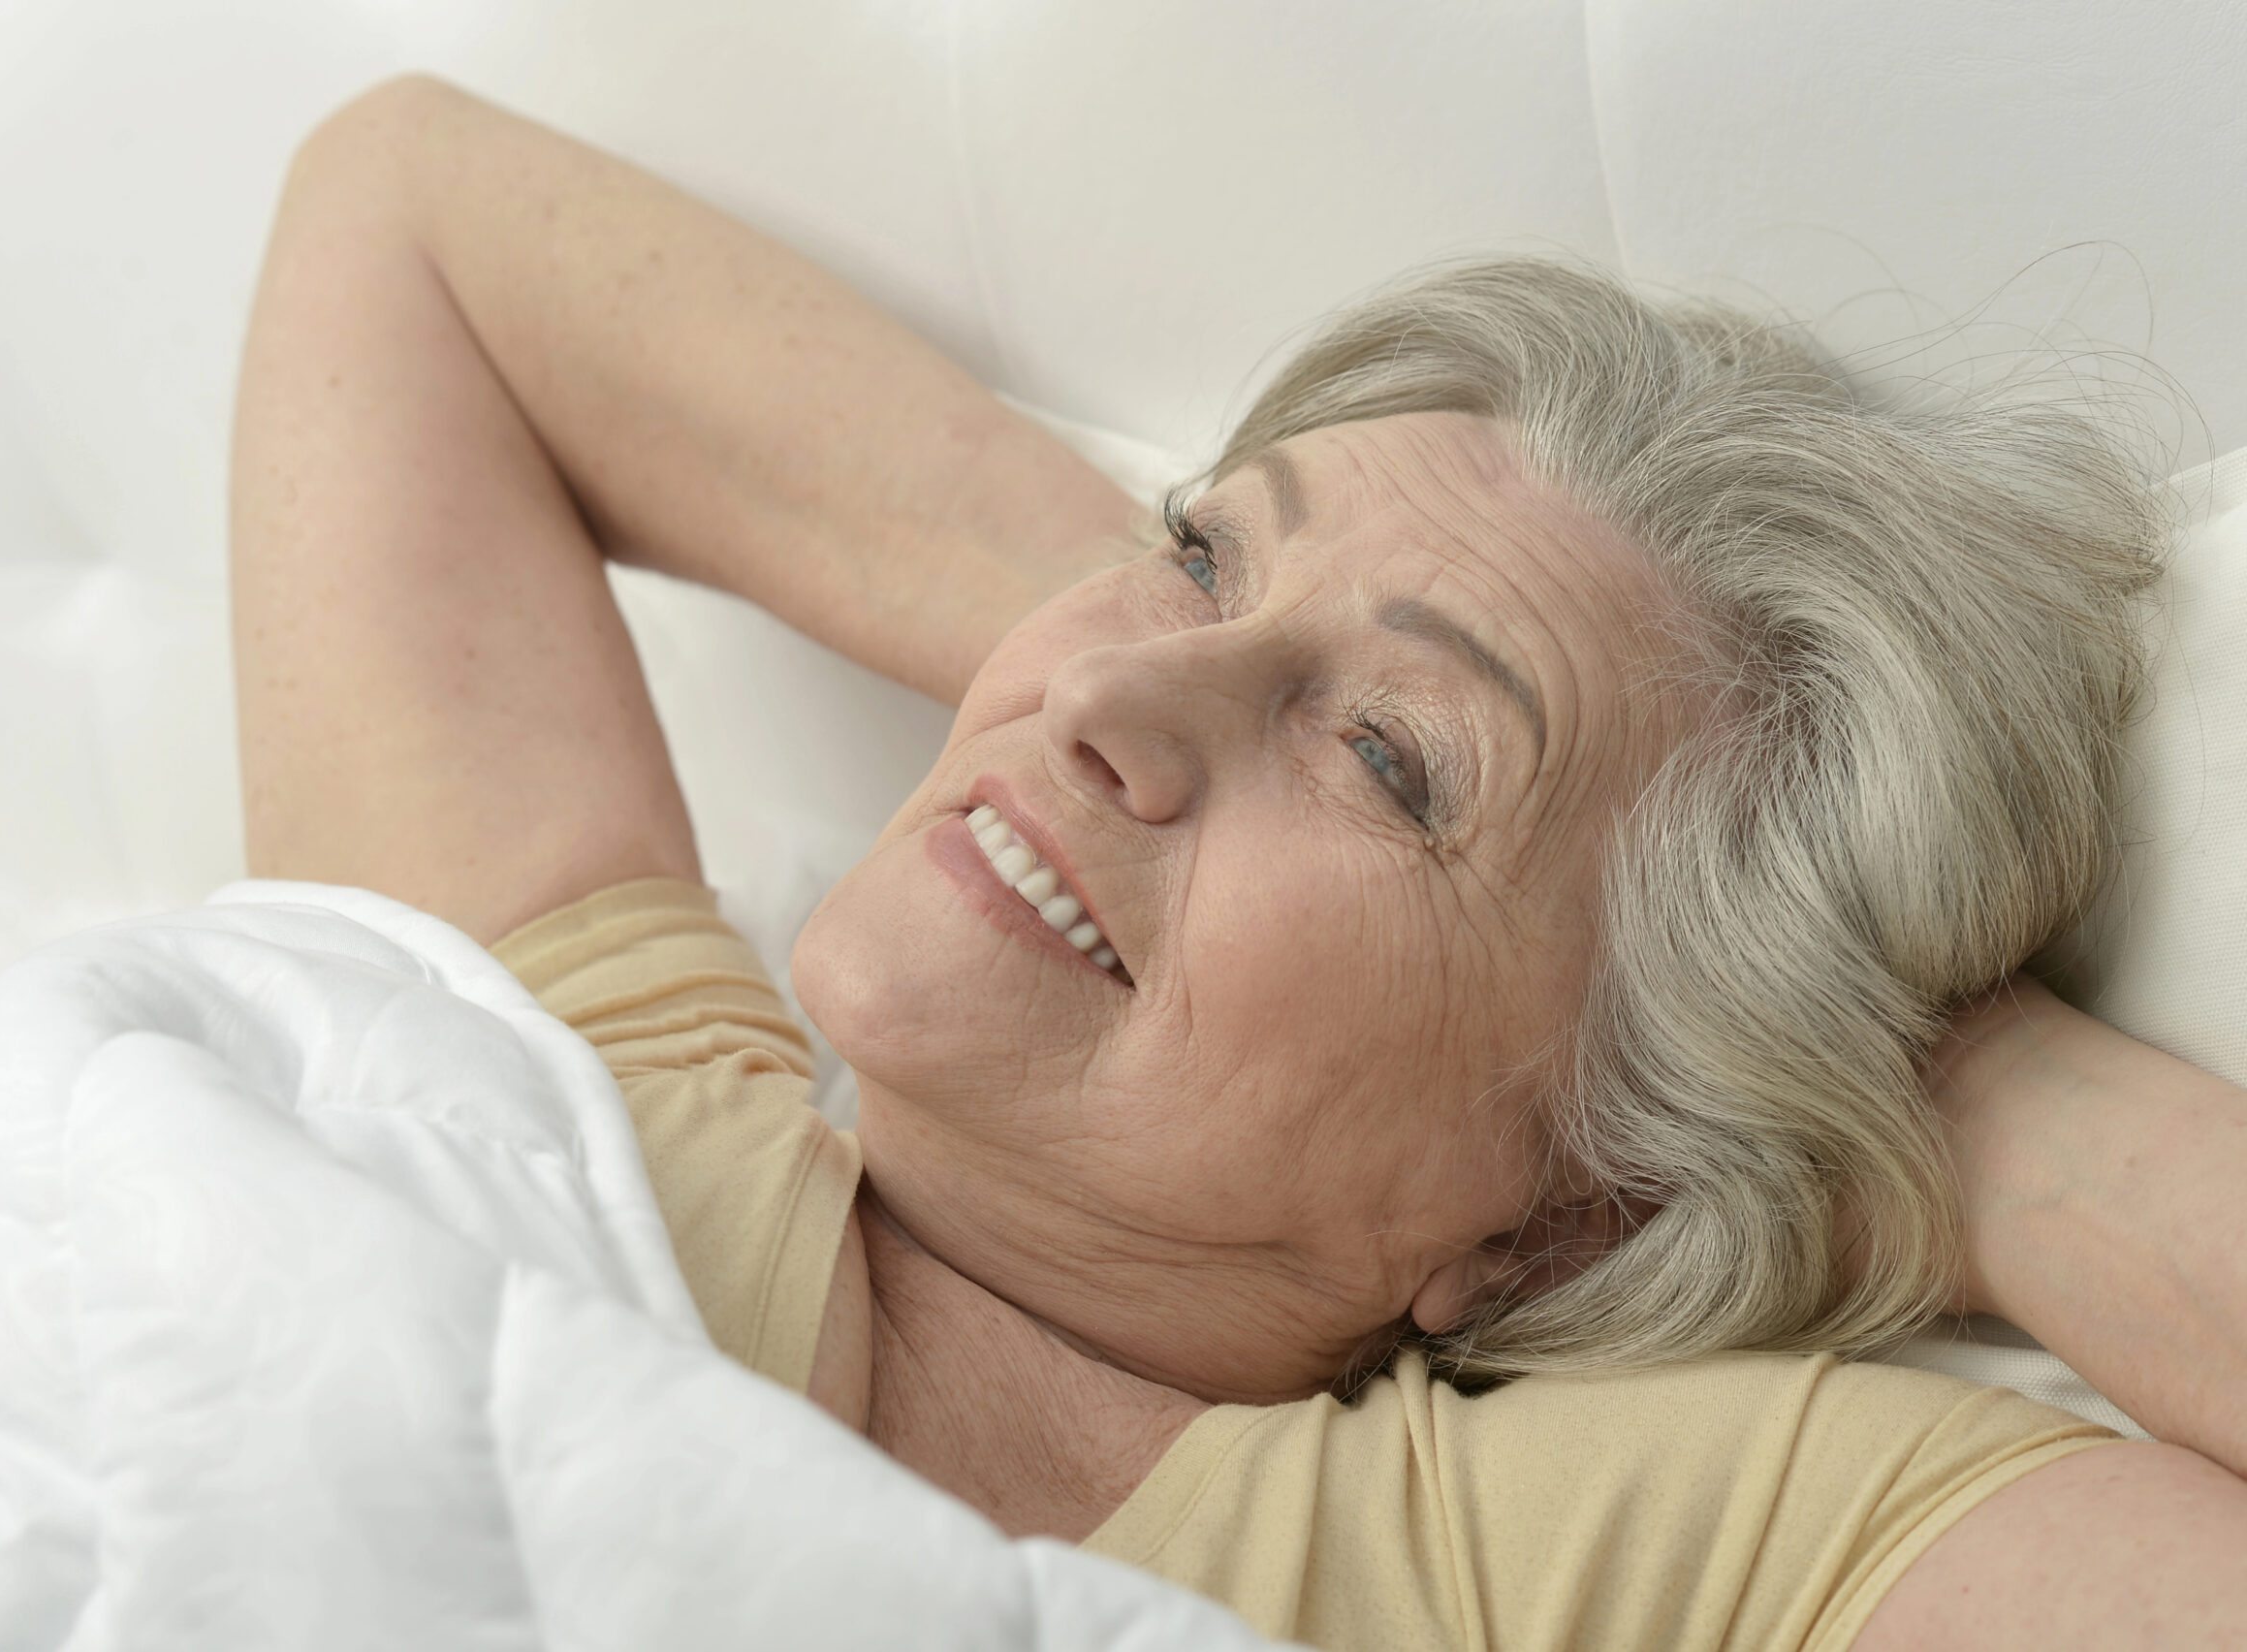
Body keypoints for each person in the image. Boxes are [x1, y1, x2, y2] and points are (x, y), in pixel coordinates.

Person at [229, 77, 2247, 1650]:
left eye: (1389, 762)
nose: (1112, 681)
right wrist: (1143, 693)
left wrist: (1970, 1118)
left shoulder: (1574, 1550)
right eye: (1192, 548)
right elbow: (408, 214)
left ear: (1559, 1212)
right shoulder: (547, 1081)